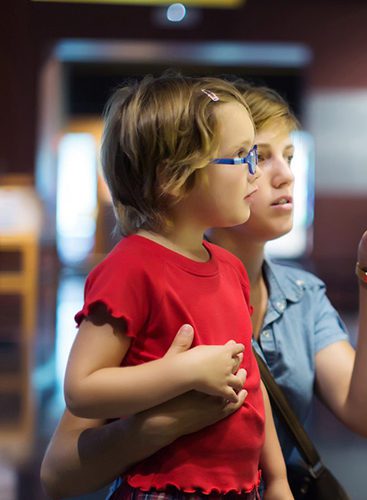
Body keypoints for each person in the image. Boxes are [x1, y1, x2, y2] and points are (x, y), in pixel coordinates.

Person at [40, 80, 367, 498]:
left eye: (289, 156)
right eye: (256, 156)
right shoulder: (140, 271)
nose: (284, 175)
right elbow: (59, 469)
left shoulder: (297, 292)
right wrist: (165, 418)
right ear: (181, 173)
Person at [61, 74, 291, 499]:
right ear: (173, 176)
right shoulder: (131, 266)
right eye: (240, 157)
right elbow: (81, 389)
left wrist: (276, 479)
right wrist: (181, 371)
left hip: (242, 488)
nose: (254, 173)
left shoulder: (229, 268)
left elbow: (250, 382)